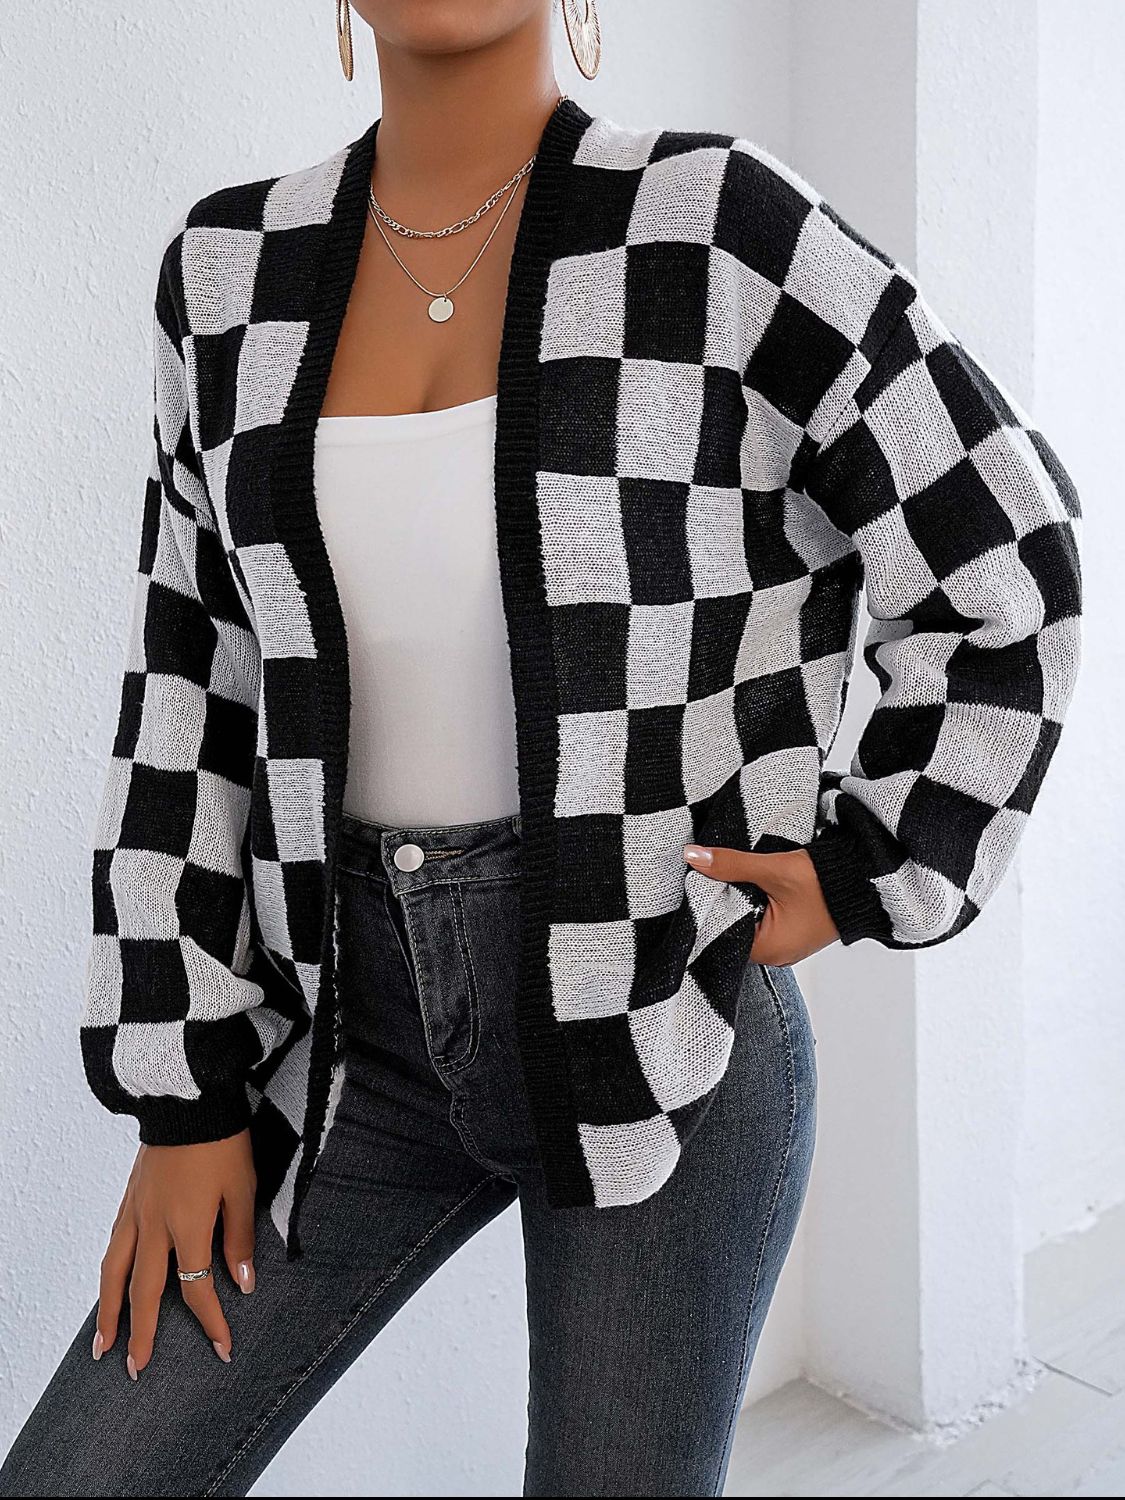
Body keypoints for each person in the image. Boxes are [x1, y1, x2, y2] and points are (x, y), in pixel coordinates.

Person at [0, 1, 1082, 1495]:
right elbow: (193, 679)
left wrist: (861, 870)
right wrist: (185, 1096)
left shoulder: (718, 226)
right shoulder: (226, 271)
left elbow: (1006, 560)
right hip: (343, 1040)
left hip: (664, 1023)